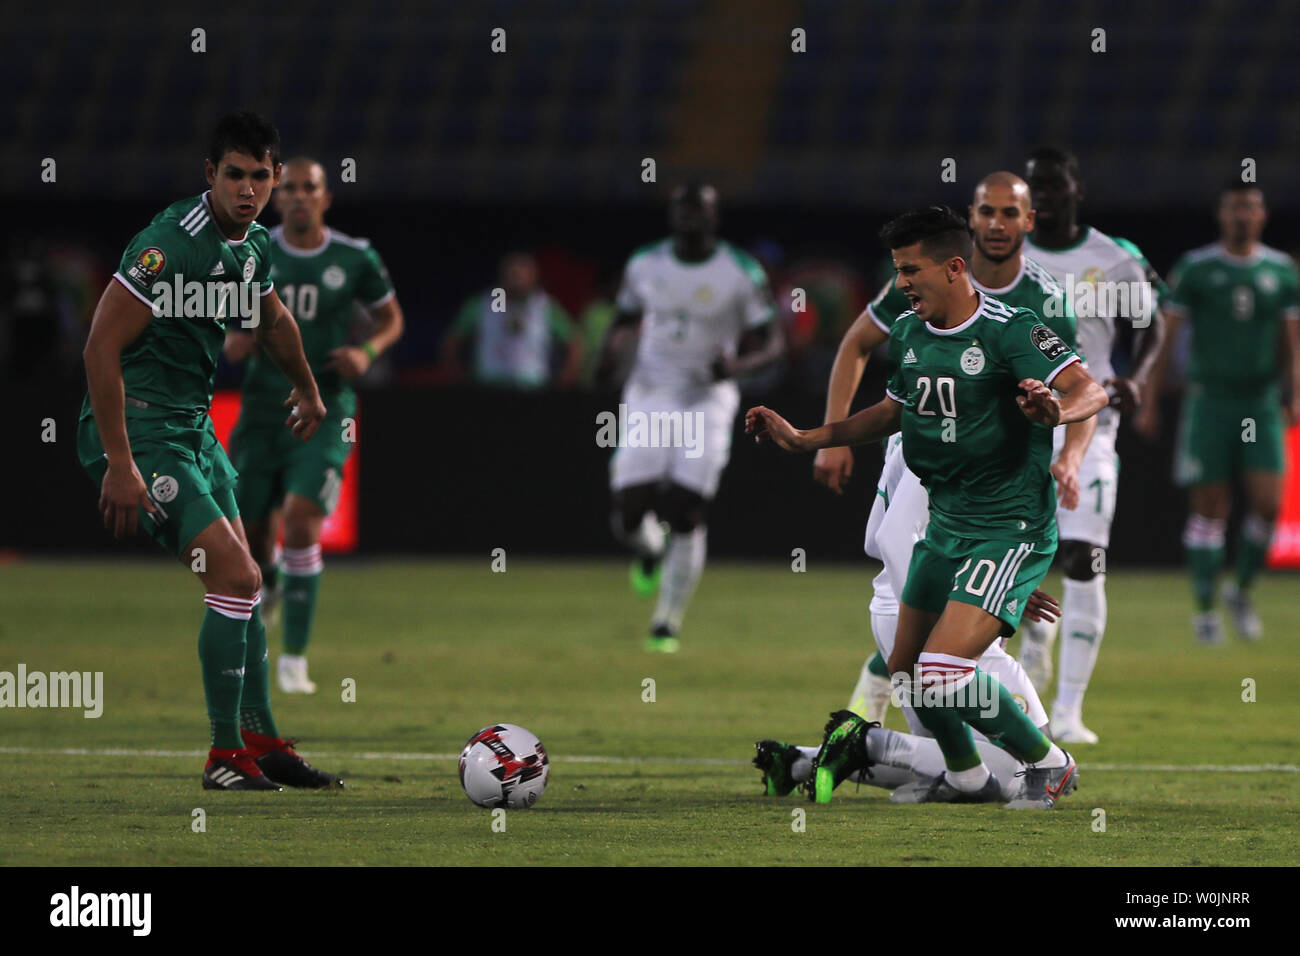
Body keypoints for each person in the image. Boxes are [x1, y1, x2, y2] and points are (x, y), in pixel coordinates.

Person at [747, 205, 1107, 808]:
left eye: (911, 270)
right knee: (909, 673)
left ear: (954, 268)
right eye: (898, 269)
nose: (903, 283)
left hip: (1008, 528)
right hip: (947, 524)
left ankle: (1052, 762)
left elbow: (1087, 388)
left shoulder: (1010, 329)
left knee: (942, 674)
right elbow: (893, 412)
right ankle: (966, 778)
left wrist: (1056, 412)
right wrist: (811, 437)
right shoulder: (912, 334)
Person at [78, 111, 341, 790]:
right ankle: (225, 756)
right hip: (140, 433)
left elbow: (274, 321)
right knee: (238, 578)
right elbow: (100, 347)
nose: (247, 189)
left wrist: (310, 394)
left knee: (246, 581)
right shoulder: (170, 244)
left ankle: (260, 741)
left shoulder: (252, 248)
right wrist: (120, 463)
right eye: (234, 175)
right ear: (210, 175)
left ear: (276, 179)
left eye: (260, 176)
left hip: (191, 429)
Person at [815, 172, 1092, 726]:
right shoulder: (914, 283)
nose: (996, 224)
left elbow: (1081, 386)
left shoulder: (1040, 304)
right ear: (972, 218)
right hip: (924, 457)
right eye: (986, 212)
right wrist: (827, 435)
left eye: (1009, 214)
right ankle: (912, 733)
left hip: (993, 477)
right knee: (889, 559)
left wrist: (1070, 455)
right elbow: (856, 345)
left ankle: (1010, 739)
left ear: (1028, 222)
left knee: (906, 585)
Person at [223, 157, 404, 694]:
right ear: (278, 197)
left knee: (302, 519)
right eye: (292, 188)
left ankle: (294, 660)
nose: (300, 197)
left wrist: (368, 351)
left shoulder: (355, 257)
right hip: (260, 410)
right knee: (251, 537)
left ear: (326, 198)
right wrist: (231, 337)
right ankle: (271, 581)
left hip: (325, 409)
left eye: (311, 188)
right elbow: (221, 313)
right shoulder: (253, 249)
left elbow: (392, 317)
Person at [1020, 145, 1169, 741]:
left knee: (1085, 559)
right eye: (1037, 188)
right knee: (1012, 562)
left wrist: (1136, 378)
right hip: (1016, 429)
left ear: (1077, 189)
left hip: (1090, 423)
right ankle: (1033, 642)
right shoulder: (1006, 255)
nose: (1046, 197)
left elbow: (1152, 325)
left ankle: (1070, 711)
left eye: (1056, 186)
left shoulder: (1112, 259)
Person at [600, 183, 783, 652]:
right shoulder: (644, 264)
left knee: (686, 508)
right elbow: (624, 318)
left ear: (715, 216)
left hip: (707, 397)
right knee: (628, 512)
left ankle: (667, 620)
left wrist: (738, 366)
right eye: (683, 209)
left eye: (699, 210)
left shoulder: (739, 271)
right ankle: (650, 550)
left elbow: (774, 341)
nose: (690, 217)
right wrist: (607, 351)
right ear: (672, 215)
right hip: (650, 392)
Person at [1136, 182, 1300, 644]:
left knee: (1268, 505)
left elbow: (1291, 340)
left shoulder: (1281, 272)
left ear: (1263, 215)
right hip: (1209, 401)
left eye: (1250, 207)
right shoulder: (1197, 269)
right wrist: (1150, 397)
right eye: (1234, 208)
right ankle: (1205, 609)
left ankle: (1241, 590)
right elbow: (1166, 337)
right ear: (1221, 215)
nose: (1242, 216)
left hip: (1260, 402)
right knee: (1210, 507)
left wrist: (1295, 391)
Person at [440, 252, 581, 389]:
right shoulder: (483, 303)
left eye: (521, 274)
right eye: (512, 274)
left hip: (532, 387)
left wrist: (566, 377)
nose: (516, 279)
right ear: (502, 274)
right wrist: (456, 377)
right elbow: (452, 341)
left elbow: (575, 342)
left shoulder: (544, 306)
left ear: (534, 276)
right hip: (488, 386)